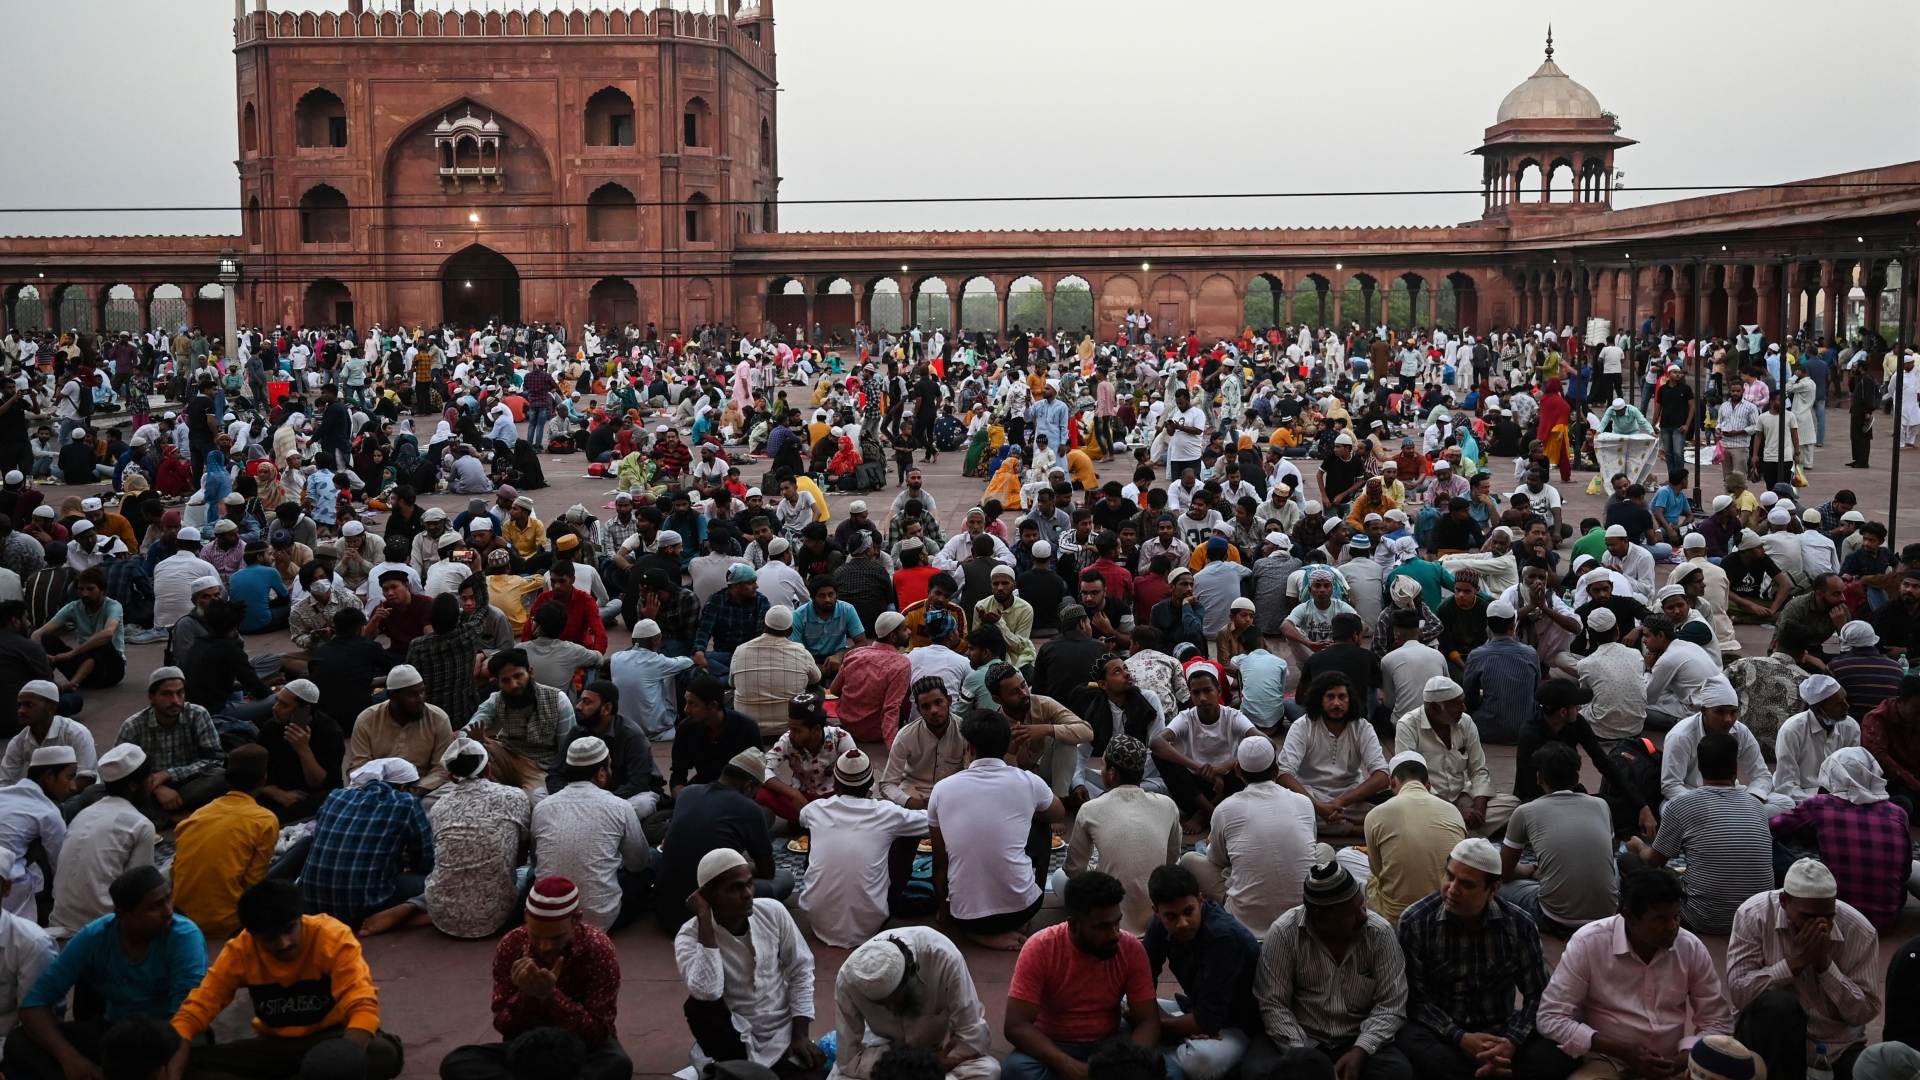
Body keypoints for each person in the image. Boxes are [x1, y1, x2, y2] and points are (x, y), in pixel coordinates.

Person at [167, 878, 405, 1080]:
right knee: (188, 1063)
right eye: (270, 938)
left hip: (330, 1038)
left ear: (300, 918)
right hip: (275, 1045)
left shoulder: (332, 937)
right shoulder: (240, 951)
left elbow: (362, 1005)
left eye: (290, 930)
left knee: (384, 1053)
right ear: (253, 934)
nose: (284, 944)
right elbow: (194, 1013)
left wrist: (342, 1062)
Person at [1536, 868, 1733, 1079]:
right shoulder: (1589, 943)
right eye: (1660, 920)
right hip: (1608, 1059)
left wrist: (1681, 1060)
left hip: (1671, 1062)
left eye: (1676, 916)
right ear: (1629, 916)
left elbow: (1717, 1022)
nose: (1672, 927)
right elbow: (1550, 1017)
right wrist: (1622, 1050)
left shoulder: (1690, 948)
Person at [9, 866, 202, 1080]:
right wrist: (70, 1058)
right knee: (20, 1042)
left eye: (168, 899)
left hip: (169, 1033)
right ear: (124, 915)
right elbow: (34, 1004)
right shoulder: (96, 937)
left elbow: (185, 1017)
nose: (168, 911)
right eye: (154, 907)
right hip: (117, 1032)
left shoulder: (184, 937)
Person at [1393, 838, 1563, 1080]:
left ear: (1492, 890)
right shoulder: (1416, 921)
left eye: (1466, 884)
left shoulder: (1519, 924)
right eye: (1449, 876)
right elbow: (1415, 1000)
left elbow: (1539, 995)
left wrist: (1511, 1042)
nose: (1452, 889)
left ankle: (1487, 1068)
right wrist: (1461, 1038)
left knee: (1562, 1043)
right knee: (1407, 1039)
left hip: (1501, 1033)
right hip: (1445, 1035)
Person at [437, 877, 632, 1080]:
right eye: (536, 936)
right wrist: (526, 996)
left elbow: (599, 1033)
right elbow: (504, 1025)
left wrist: (550, 996)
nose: (545, 947)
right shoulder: (511, 945)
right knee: (456, 1063)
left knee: (617, 1065)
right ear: (526, 919)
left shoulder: (597, 948)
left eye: (556, 937)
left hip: (581, 1048)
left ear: (576, 920)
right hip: (526, 1048)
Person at [1242, 851, 1412, 1080]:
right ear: (1321, 918)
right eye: (1352, 912)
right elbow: (1273, 1005)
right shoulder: (1284, 933)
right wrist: (1308, 1061)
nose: (1363, 916)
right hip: (1300, 1037)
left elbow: (1391, 1004)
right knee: (1258, 1072)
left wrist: (1361, 1050)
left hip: (1356, 1038)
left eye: (1362, 905)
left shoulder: (1379, 933)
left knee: (1396, 1073)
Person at [1725, 858, 1881, 1080]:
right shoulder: (1753, 915)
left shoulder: (1860, 931)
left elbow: (1864, 1012)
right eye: (1807, 917)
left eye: (1828, 917)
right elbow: (1740, 993)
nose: (1819, 926)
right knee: (1778, 1004)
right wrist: (1795, 962)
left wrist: (1825, 966)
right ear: (1784, 901)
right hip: (1770, 1036)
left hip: (1836, 1046)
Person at [674, 848, 825, 1076]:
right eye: (735, 888)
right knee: (698, 1008)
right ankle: (735, 1065)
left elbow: (801, 968)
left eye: (749, 884)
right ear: (709, 895)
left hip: (782, 1030)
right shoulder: (689, 936)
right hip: (734, 1033)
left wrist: (800, 1034)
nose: (748, 894)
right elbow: (708, 992)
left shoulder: (773, 912)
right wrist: (704, 920)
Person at [1001, 872, 1161, 1080]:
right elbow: (1015, 1025)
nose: (1114, 934)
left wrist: (1125, 1064)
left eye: (1117, 922)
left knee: (1169, 1072)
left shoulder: (1130, 948)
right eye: (1102, 927)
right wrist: (1072, 1068)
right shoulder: (1040, 948)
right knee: (1017, 1072)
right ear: (1074, 924)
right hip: (1053, 1044)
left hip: (1111, 1042)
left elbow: (1149, 1022)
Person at [928, 712, 1064, 951]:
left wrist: (944, 914)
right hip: (1024, 909)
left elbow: (939, 858)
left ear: (970, 749)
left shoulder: (942, 790)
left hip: (964, 916)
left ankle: (977, 933)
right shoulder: (1028, 781)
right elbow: (1058, 814)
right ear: (1007, 747)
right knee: (1041, 822)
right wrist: (1026, 808)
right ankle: (1009, 922)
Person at [1626, 731, 1776, 935]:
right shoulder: (1756, 805)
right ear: (1735, 769)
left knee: (1629, 862)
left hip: (1705, 918)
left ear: (1699, 767)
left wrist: (1638, 846)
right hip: (1757, 919)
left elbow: (1654, 862)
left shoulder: (1681, 804)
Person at [1770, 747, 1912, 932]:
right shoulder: (1897, 812)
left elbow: (1771, 830)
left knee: (1771, 846)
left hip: (1831, 915)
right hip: (1885, 919)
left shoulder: (1820, 804)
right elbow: (1906, 872)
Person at [796, 748, 928, 948]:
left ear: (836, 785)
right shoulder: (888, 813)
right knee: (907, 837)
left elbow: (802, 817)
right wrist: (912, 800)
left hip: (818, 922)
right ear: (870, 787)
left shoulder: (814, 810)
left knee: (813, 836)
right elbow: (932, 822)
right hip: (870, 926)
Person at [1141, 864, 1260, 1080]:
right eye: (1171, 916)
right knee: (1122, 1003)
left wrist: (1153, 1023)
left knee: (1200, 1061)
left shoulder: (1222, 938)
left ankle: (1159, 1052)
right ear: (1156, 912)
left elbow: (1207, 1021)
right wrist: (1163, 1020)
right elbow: (1141, 981)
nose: (1182, 923)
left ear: (1200, 900)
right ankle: (1173, 1044)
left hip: (1235, 1026)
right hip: (1195, 1009)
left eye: (1189, 912)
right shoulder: (1158, 925)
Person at [1052, 734, 1179, 936]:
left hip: (1110, 916)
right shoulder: (1168, 805)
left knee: (1059, 877)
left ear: (1112, 773)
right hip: (1156, 916)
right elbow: (1170, 863)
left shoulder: (1090, 809)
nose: (1101, 771)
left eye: (1102, 765)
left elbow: (1074, 870)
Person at [831, 928, 997, 1080]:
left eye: (894, 999)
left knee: (988, 1072)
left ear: (911, 972)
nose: (890, 1009)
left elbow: (973, 1038)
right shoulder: (848, 979)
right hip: (888, 1057)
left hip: (940, 1049)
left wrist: (934, 1063)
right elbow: (848, 1060)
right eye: (879, 1003)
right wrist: (913, 1070)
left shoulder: (944, 958)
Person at [656, 748, 791, 932]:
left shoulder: (687, 793)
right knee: (785, 878)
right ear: (749, 786)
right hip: (705, 915)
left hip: (666, 911)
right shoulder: (750, 809)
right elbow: (767, 871)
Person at [299, 758, 434, 933]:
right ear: (403, 787)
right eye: (414, 788)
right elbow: (425, 861)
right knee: (435, 881)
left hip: (311, 904)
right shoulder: (407, 802)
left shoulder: (336, 796)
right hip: (363, 908)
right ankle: (402, 914)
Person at [530, 736, 650, 932]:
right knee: (652, 863)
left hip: (549, 917)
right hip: (601, 920)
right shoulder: (620, 806)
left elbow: (536, 863)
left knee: (529, 876)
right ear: (601, 774)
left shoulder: (542, 807)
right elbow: (638, 863)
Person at [1499, 743, 1618, 938]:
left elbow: (1504, 872)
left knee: (1493, 884)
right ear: (1577, 778)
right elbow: (1611, 856)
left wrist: (1528, 870)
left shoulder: (1525, 811)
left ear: (1539, 778)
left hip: (1555, 918)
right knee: (1612, 865)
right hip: (1606, 915)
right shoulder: (1601, 804)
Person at [90, 666, 227, 825]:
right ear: (151, 697)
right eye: (166, 694)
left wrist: (168, 774)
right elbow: (119, 773)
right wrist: (156, 787)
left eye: (179, 693)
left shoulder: (198, 715)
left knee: (220, 776)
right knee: (92, 793)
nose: (175, 700)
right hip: (145, 791)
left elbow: (213, 761)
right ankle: (171, 817)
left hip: (187, 786)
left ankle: (147, 816)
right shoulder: (133, 726)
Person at [50, 744, 157, 941]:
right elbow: (140, 892)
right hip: (104, 928)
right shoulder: (141, 825)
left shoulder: (84, 813)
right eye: (150, 776)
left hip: (60, 921)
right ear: (133, 785)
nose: (153, 780)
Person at [170, 744, 277, 939]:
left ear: (227, 778)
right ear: (263, 780)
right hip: (226, 922)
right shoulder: (265, 820)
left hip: (181, 916)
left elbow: (175, 870)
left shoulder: (198, 814)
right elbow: (254, 883)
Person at [1392, 675, 1514, 835]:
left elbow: (1478, 771)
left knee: (1512, 805)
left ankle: (1452, 830)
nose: (1464, 708)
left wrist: (1478, 812)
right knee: (1411, 812)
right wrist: (1456, 811)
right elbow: (1410, 780)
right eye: (1457, 704)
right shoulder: (1408, 726)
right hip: (1427, 801)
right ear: (1436, 708)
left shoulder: (1466, 722)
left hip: (1461, 795)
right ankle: (1461, 831)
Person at [1659, 675, 1793, 815]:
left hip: (1733, 796)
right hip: (1695, 798)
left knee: (1786, 803)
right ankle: (1738, 824)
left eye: (1733, 712)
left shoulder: (1741, 731)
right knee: (1668, 811)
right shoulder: (1681, 736)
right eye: (1720, 712)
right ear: (1704, 710)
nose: (1728, 719)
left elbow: (1762, 775)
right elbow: (1671, 785)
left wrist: (1749, 800)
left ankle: (1724, 824)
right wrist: (1710, 807)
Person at [1277, 671, 1389, 836]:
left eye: (1342, 697)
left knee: (1400, 804)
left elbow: (1382, 775)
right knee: (1281, 807)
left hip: (1351, 798)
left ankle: (1330, 825)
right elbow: (1283, 773)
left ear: (1349, 699)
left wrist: (1341, 801)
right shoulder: (1302, 726)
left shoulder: (1362, 727)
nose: (1337, 703)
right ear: (1320, 700)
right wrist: (1318, 807)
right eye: (1330, 697)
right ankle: (1354, 829)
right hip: (1310, 796)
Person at [1362, 752, 1467, 926]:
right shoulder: (1453, 811)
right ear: (1428, 785)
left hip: (1397, 920)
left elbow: (1377, 870)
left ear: (1392, 782)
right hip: (1445, 913)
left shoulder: (1375, 814)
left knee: (1360, 868)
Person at [1152, 666, 1256, 829]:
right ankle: (1212, 812)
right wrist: (1201, 768)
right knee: (1159, 755)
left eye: (1208, 691)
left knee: (1251, 761)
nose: (1202, 698)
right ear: (1191, 695)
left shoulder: (1232, 716)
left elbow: (1266, 744)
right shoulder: (1186, 717)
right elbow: (1156, 742)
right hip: (1193, 792)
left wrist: (1224, 767)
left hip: (1228, 790)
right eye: (1196, 693)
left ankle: (1202, 814)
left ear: (1219, 691)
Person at [470, 648, 577, 797]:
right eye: (505, 680)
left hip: (540, 766)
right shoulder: (496, 699)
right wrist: (472, 738)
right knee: (469, 753)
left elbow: (566, 750)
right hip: (506, 756)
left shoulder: (558, 700)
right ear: (498, 683)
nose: (514, 685)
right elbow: (470, 728)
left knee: (538, 799)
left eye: (518, 676)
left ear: (530, 672)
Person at [346, 664, 457, 796]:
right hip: (378, 790)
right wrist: (381, 791)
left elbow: (442, 768)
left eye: (422, 692)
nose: (420, 699)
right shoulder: (367, 720)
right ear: (393, 696)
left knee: (449, 792)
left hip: (423, 789)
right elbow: (359, 766)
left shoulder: (438, 718)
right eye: (412, 695)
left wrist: (418, 790)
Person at [0, 744, 73, 915]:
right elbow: (61, 865)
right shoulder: (48, 812)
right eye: (70, 777)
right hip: (9, 887)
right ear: (48, 777)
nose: (73, 787)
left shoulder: (3, 793)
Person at [878, 677, 969, 810]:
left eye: (938, 702)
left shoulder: (965, 731)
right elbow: (887, 784)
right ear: (919, 710)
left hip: (953, 796)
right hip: (915, 794)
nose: (934, 710)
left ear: (949, 701)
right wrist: (909, 802)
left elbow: (971, 774)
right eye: (926, 706)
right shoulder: (905, 736)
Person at [732, 606, 821, 739]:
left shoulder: (740, 650)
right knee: (817, 691)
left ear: (762, 626)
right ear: (790, 631)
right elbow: (816, 680)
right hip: (790, 730)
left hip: (749, 730)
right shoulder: (801, 652)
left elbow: (732, 683)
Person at [1459, 599, 1540, 745]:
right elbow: (1536, 692)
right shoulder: (1530, 654)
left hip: (1487, 731)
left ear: (1488, 626)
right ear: (1512, 627)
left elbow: (1470, 697)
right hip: (1526, 731)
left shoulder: (1477, 655)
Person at [668, 675, 764, 797]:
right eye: (686, 703)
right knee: (660, 815)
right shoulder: (686, 729)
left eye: (692, 704)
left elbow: (759, 776)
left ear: (713, 706)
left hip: (738, 799)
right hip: (703, 795)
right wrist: (684, 801)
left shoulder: (746, 727)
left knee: (764, 813)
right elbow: (678, 776)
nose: (686, 709)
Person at [1773, 674, 1861, 805]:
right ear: (1818, 710)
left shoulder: (1850, 726)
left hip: (1840, 798)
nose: (1846, 706)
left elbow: (1854, 775)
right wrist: (1818, 804)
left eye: (1845, 699)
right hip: (1801, 798)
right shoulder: (1792, 731)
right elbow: (1786, 785)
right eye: (1838, 704)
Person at [2, 679, 97, 784]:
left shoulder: (77, 733)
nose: (21, 710)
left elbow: (86, 778)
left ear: (51, 708)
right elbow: (4, 781)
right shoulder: (18, 742)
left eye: (29, 705)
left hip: (76, 794)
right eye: (20, 705)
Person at [1861, 675, 1920, 810]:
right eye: (1917, 712)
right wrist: (1915, 784)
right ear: (1899, 702)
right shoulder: (1876, 719)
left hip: (1914, 780)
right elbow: (1879, 756)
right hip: (1889, 782)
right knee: (1904, 804)